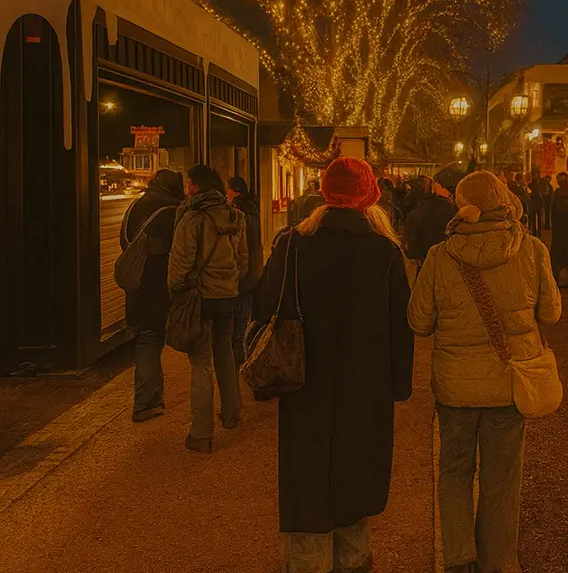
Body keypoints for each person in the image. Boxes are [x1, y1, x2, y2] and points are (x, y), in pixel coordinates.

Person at [257, 157, 414, 573]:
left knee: (306, 472)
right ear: (368, 197)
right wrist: (399, 385)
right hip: (366, 384)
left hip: (303, 378)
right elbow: (401, 324)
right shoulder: (385, 252)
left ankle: (307, 562)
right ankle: (353, 559)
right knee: (356, 473)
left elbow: (264, 306)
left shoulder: (292, 244)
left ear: (325, 192)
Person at [409, 171, 561, 573]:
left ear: (463, 207)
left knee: (455, 471)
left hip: (456, 388)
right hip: (509, 384)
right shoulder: (530, 249)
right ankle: (498, 561)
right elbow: (551, 312)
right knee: (501, 478)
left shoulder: (442, 255)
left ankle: (459, 556)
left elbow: (419, 321)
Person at [168, 164, 249, 453]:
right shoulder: (235, 215)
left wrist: (177, 290)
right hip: (228, 296)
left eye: (189, 184)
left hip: (201, 298)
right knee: (224, 352)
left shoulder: (192, 218)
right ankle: (232, 412)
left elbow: (179, 265)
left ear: (196, 187)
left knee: (201, 363)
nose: (187, 189)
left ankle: (201, 433)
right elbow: (243, 260)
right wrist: (230, 283)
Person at [120, 169, 184, 423]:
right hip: (162, 284)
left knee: (146, 338)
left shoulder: (135, 206)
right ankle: (148, 401)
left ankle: (147, 401)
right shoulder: (174, 211)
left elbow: (125, 242)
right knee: (161, 338)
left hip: (138, 284)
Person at [227, 175, 263, 366]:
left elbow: (237, 246)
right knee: (244, 318)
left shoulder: (236, 212)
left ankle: (236, 360)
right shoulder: (253, 210)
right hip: (254, 270)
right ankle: (241, 356)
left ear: (234, 191)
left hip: (242, 271)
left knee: (235, 324)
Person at [405, 167, 463, 265]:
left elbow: (411, 246)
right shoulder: (462, 212)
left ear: (437, 186)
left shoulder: (422, 210)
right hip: (456, 267)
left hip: (429, 265)